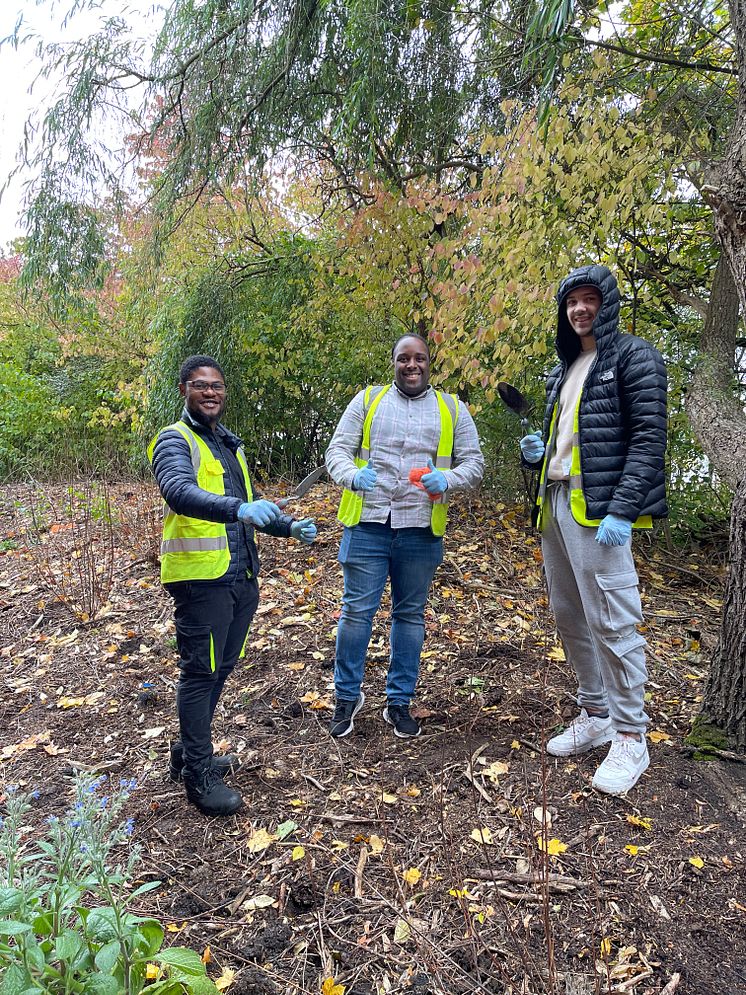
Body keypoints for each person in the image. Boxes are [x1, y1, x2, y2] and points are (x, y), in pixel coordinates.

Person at [520, 264, 667, 795]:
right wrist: (534, 459)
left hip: (601, 512)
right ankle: (597, 714)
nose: (579, 309)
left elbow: (650, 439)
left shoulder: (633, 357)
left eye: (589, 300)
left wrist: (624, 510)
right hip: (556, 505)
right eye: (571, 302)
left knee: (612, 619)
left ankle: (631, 736)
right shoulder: (564, 368)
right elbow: (567, 442)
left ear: (607, 303)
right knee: (569, 615)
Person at [148, 355, 317, 816]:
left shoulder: (231, 447)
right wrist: (239, 509)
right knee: (200, 673)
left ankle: (188, 753)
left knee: (221, 668)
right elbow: (180, 493)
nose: (210, 393)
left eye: (218, 386)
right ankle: (198, 776)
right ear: (184, 389)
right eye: (200, 385)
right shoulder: (172, 440)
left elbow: (250, 510)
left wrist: (287, 526)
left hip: (241, 578)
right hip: (201, 581)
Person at [325, 334, 484, 739]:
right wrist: (351, 475)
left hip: (420, 529)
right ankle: (347, 696)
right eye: (403, 359)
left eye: (419, 359)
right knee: (356, 614)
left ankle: (399, 702)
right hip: (368, 525)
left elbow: (475, 464)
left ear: (430, 363)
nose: (411, 365)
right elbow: (337, 452)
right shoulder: (368, 401)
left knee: (409, 617)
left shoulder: (452, 409)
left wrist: (446, 478)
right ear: (393, 362)